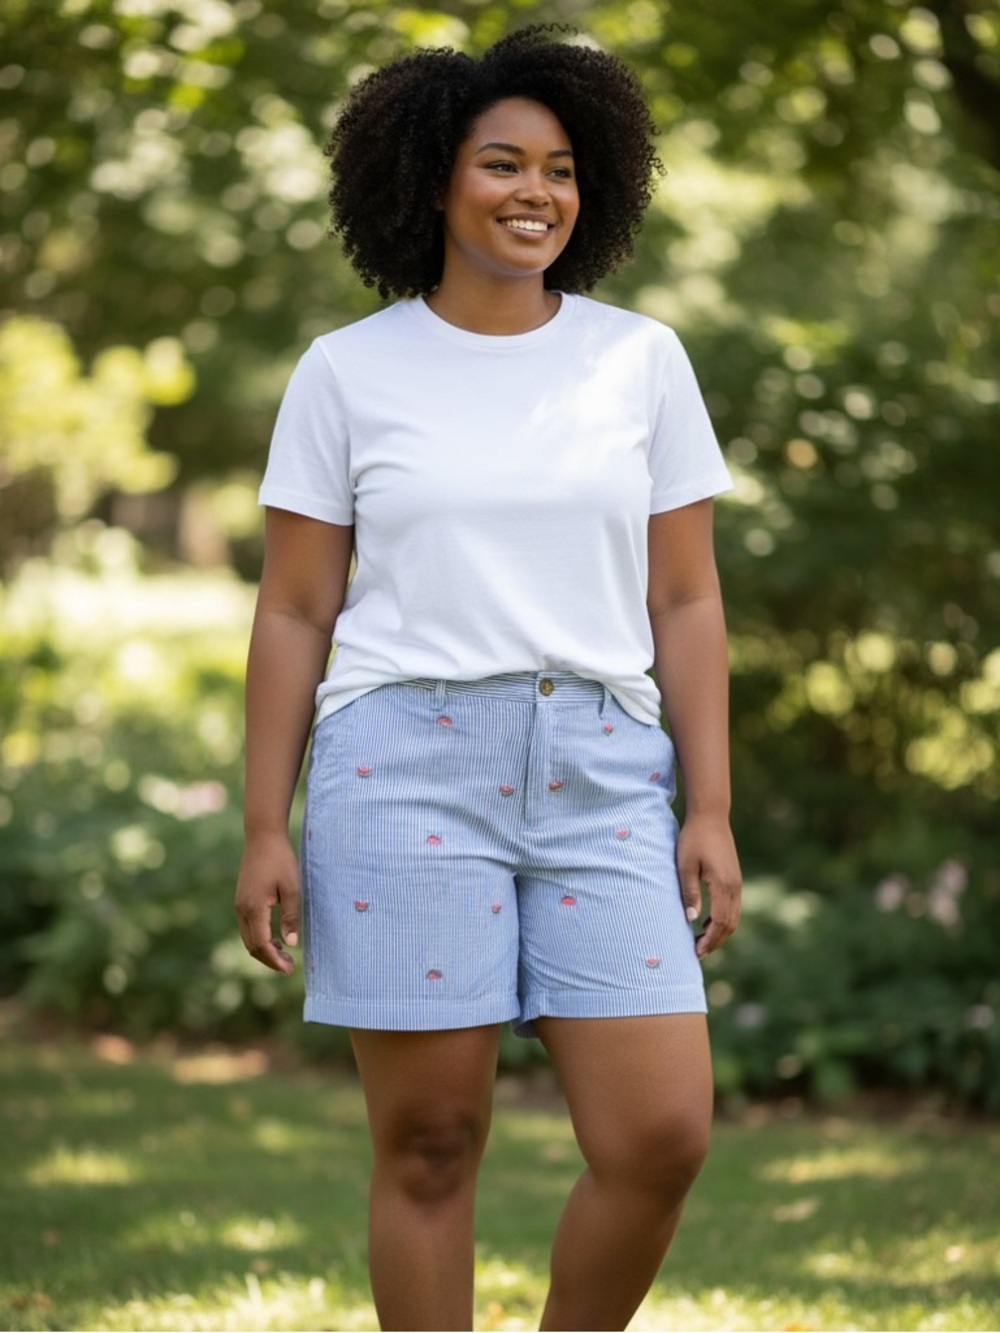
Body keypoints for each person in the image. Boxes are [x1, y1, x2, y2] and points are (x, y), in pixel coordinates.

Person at [235, 24, 742, 1332]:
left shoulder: (640, 361)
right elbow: (295, 610)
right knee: (429, 1141)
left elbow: (684, 597)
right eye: (503, 164)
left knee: (663, 1132)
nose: (537, 193)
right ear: (430, 180)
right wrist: (261, 823)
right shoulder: (348, 371)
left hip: (603, 773)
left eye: (563, 169)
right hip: (401, 768)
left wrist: (710, 805)